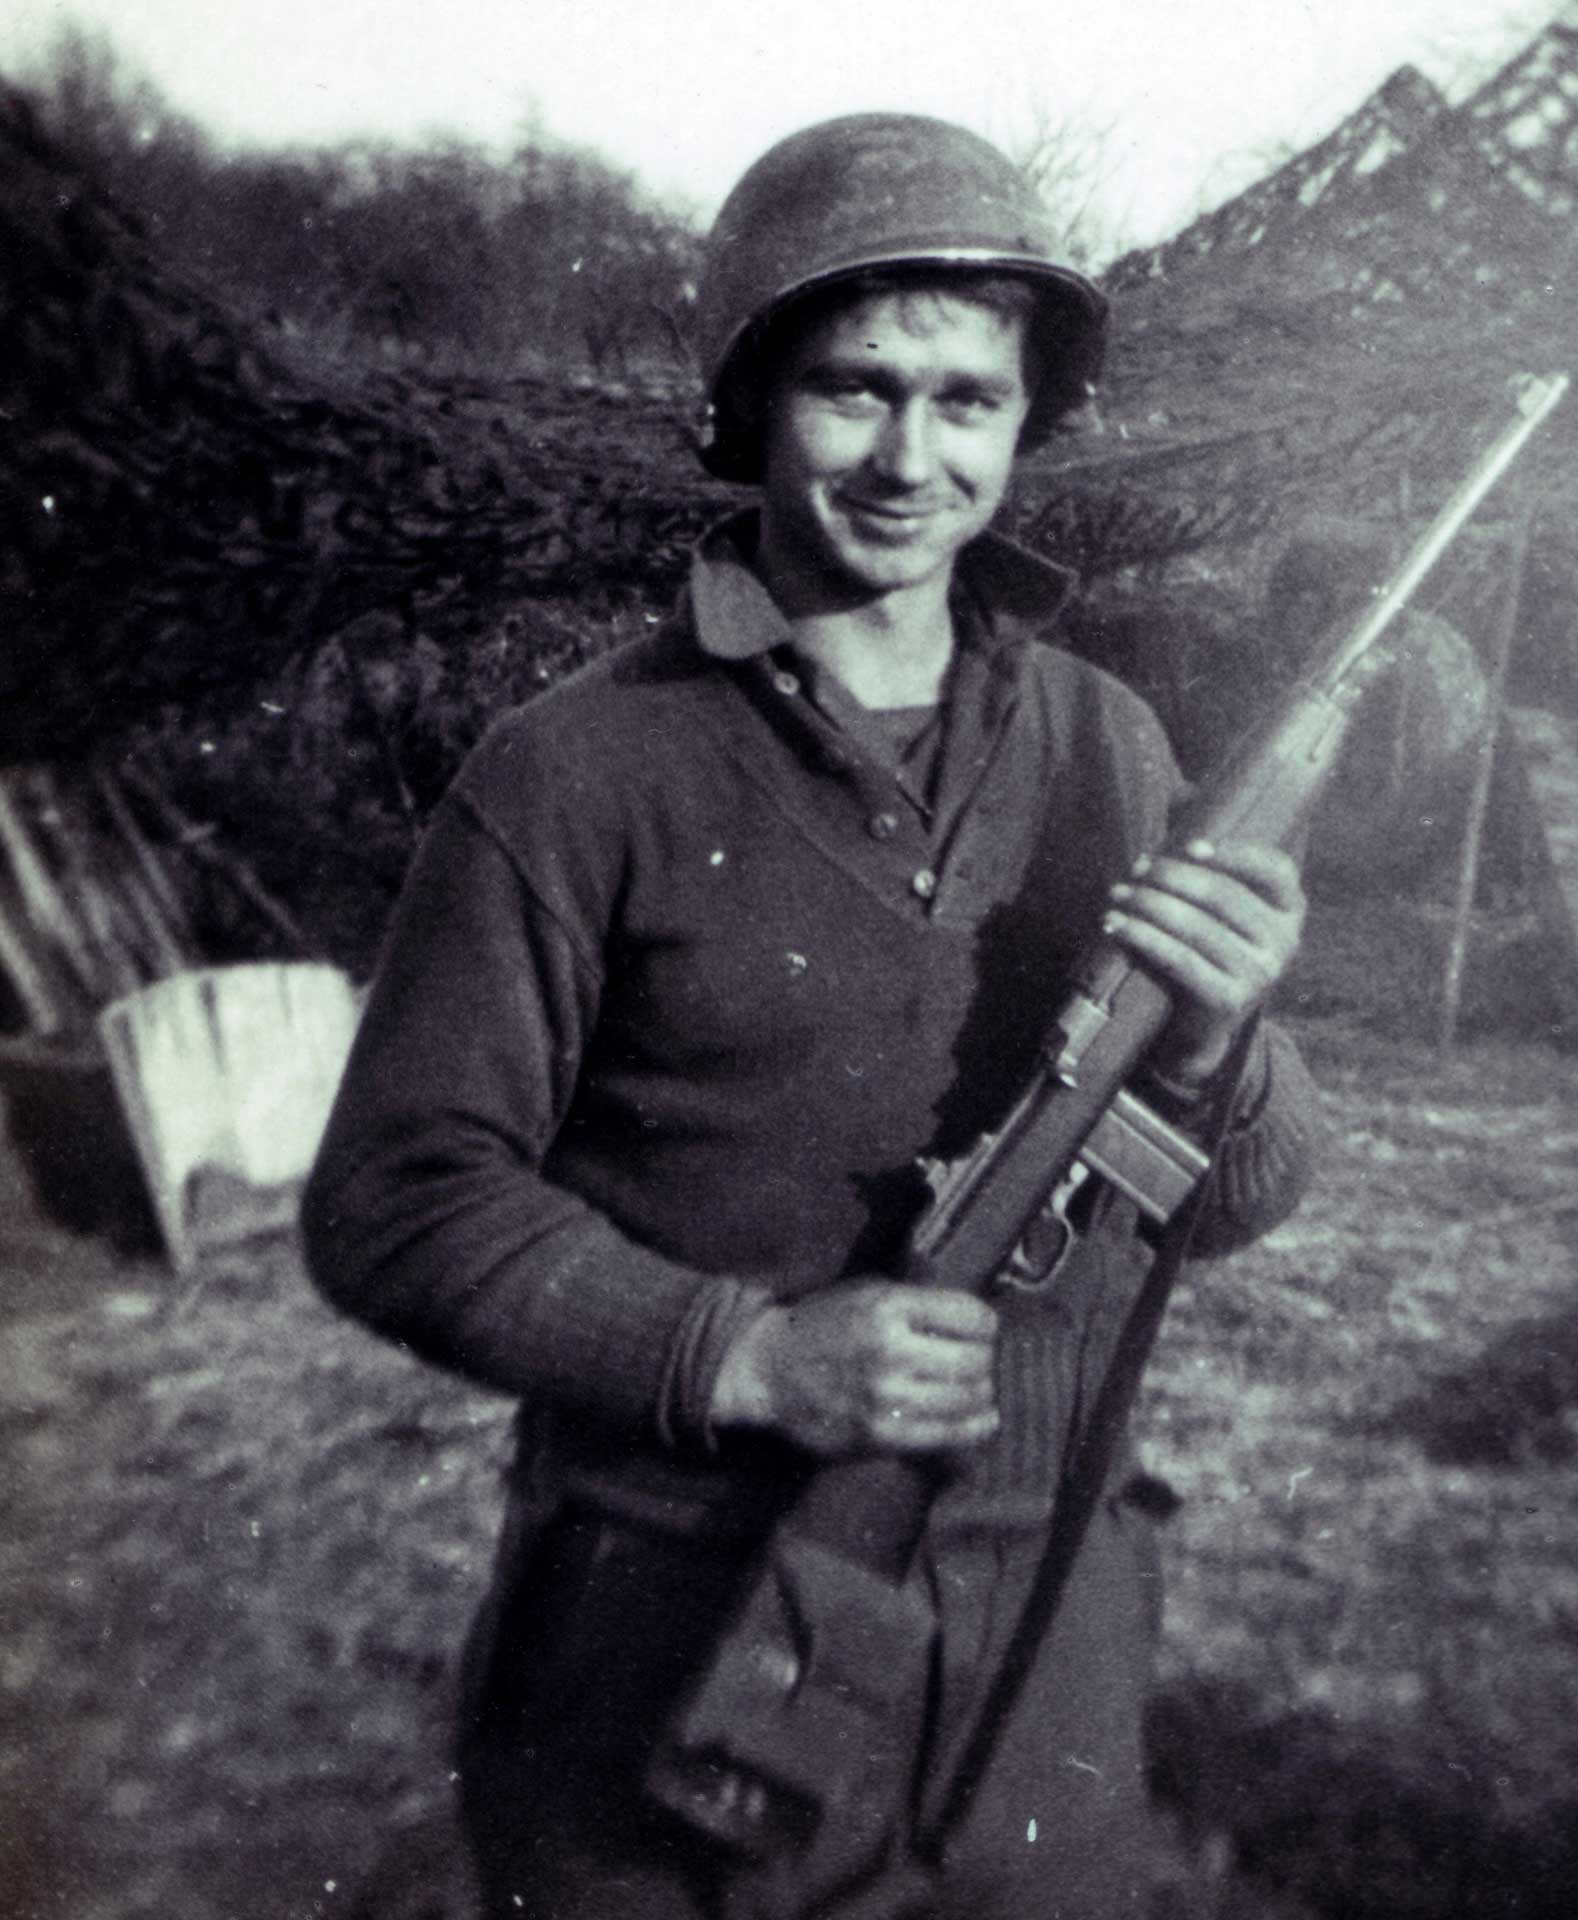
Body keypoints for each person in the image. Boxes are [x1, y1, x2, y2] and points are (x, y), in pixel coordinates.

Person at [303, 113, 1320, 1920]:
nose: (913, 456)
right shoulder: (572, 773)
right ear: (750, 402)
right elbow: (396, 1197)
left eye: (969, 399)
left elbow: (1231, 1201)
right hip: (675, 1632)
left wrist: (1217, 1045)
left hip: (1035, 1661)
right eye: (855, 390)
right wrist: (747, 1355)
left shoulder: (1111, 745)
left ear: (1024, 424)